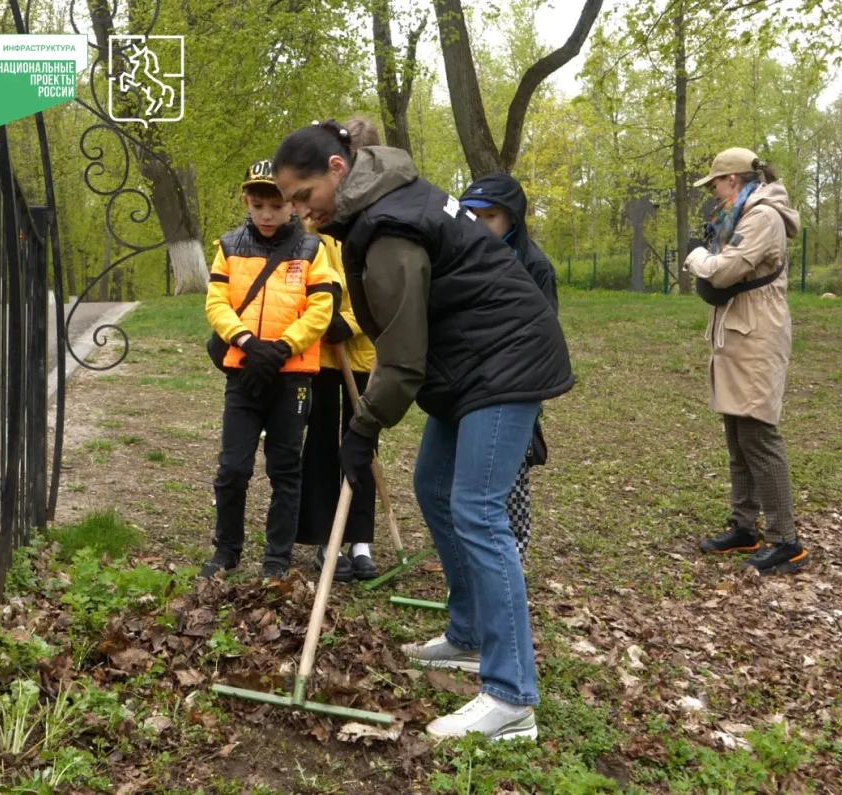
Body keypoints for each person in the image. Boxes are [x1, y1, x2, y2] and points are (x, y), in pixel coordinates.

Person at [273, 121, 574, 741]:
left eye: (304, 196)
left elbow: (403, 361)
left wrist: (362, 427)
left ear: (337, 168)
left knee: (479, 511)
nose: (300, 214)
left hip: (504, 359)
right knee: (435, 485)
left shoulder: (388, 227)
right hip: (468, 362)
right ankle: (466, 635)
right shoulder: (382, 199)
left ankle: (512, 697)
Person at [201, 158, 334, 579]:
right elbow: (215, 303)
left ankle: (276, 559)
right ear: (247, 201)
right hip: (244, 373)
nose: (267, 214)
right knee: (233, 467)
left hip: (291, 375)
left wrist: (282, 347)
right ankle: (226, 551)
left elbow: (321, 309)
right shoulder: (229, 245)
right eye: (258, 205)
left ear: (292, 205)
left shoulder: (314, 249)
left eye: (276, 206)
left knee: (285, 467)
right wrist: (245, 341)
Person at [685, 147, 809, 576]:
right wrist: (709, 254)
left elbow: (722, 271)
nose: (714, 192)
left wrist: (696, 257)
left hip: (757, 336)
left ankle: (785, 539)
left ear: (733, 180)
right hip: (738, 333)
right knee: (738, 434)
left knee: (758, 434)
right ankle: (745, 526)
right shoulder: (740, 214)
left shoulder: (762, 217)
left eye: (716, 184)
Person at [296, 118, 382, 582]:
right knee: (322, 449)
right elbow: (314, 276)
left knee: (361, 446)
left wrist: (347, 323)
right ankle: (325, 541)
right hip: (319, 358)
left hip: (362, 354)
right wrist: (323, 318)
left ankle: (361, 540)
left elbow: (377, 288)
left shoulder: (376, 225)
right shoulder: (320, 227)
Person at [460, 173, 557, 564]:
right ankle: (471, 557)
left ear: (512, 220)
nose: (478, 224)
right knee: (464, 478)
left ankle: (511, 553)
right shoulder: (459, 256)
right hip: (467, 382)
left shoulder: (533, 266)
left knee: (509, 475)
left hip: (513, 386)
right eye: (470, 215)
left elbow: (542, 333)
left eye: (489, 216)